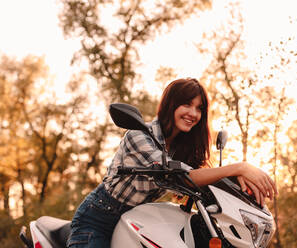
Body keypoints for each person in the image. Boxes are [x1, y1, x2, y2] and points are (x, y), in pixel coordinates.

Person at [67, 78, 277, 247]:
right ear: (171, 104)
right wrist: (240, 167)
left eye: (199, 108)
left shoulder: (180, 150)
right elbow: (180, 176)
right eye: (187, 104)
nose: (193, 113)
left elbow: (200, 176)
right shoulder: (139, 136)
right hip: (99, 220)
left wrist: (236, 178)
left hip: (138, 218)